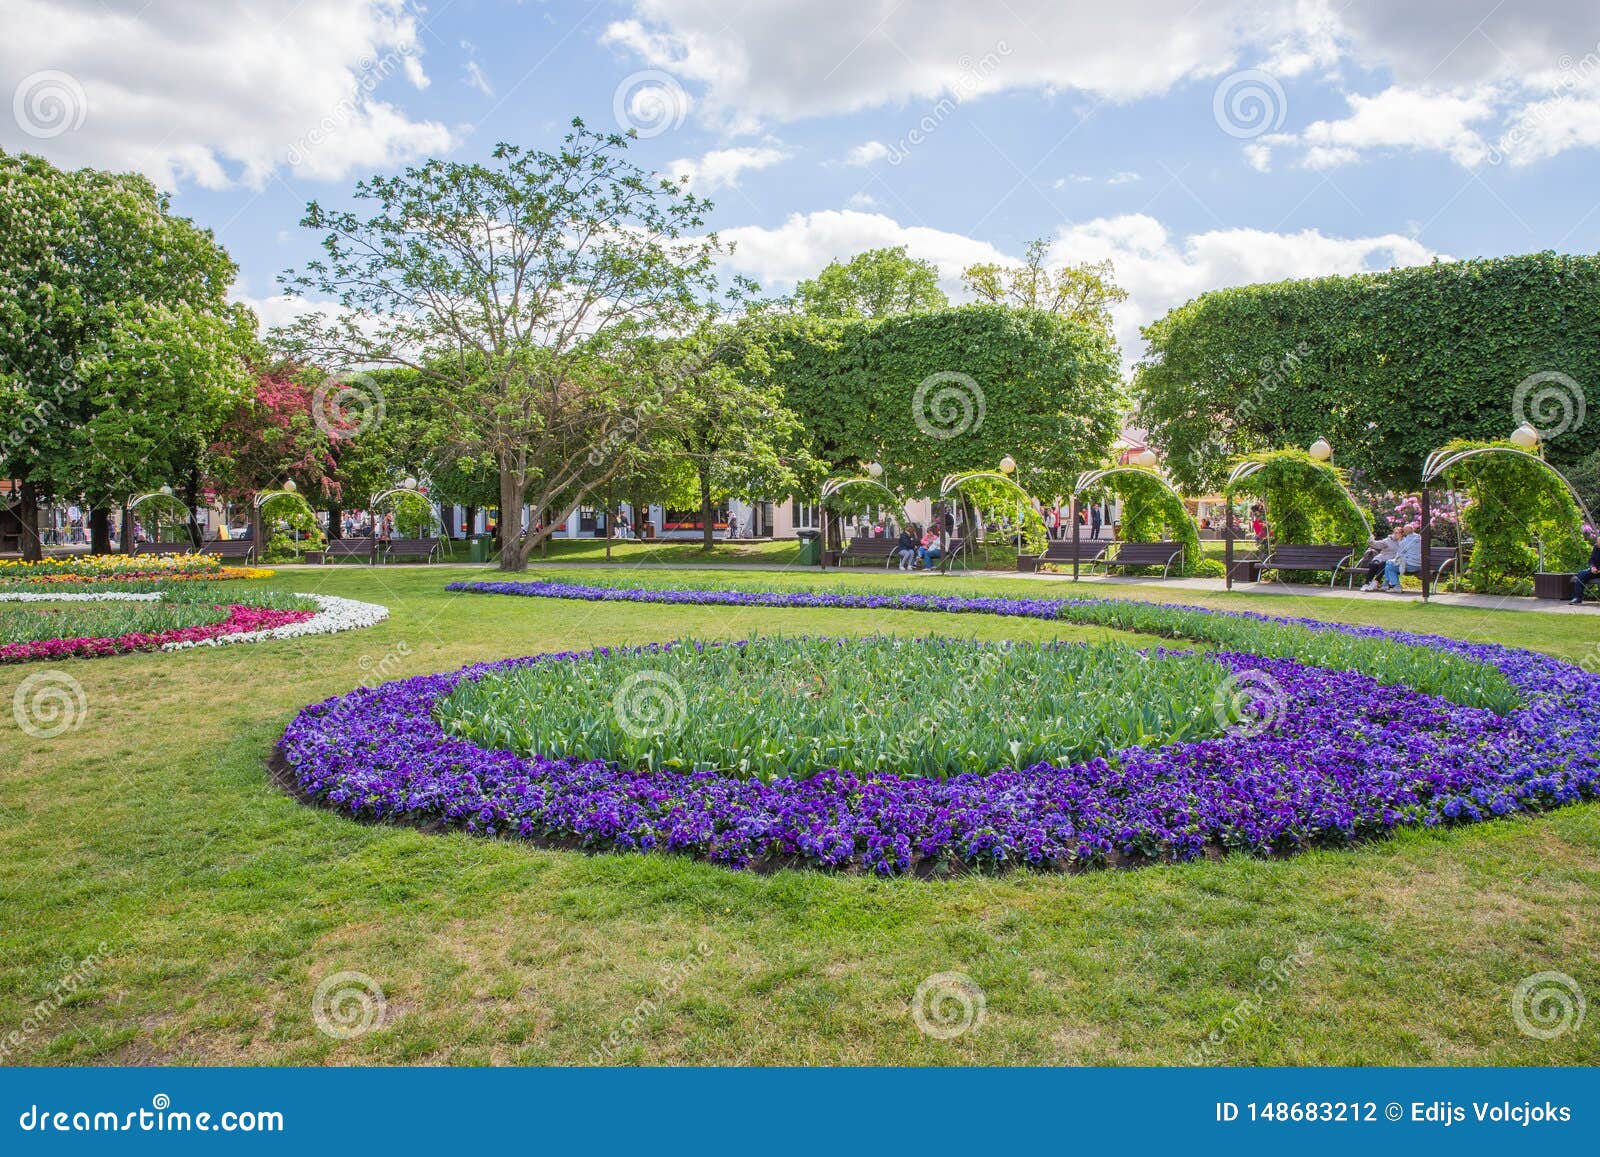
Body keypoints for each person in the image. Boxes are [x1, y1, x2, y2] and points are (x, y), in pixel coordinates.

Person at [1360, 528, 1405, 592]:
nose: (1395, 534)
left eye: (1397, 533)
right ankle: (1367, 583)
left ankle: (1375, 582)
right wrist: (1372, 540)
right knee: (1373, 564)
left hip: (1391, 561)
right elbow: (1377, 544)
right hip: (1381, 558)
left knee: (1383, 564)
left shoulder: (1403, 542)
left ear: (1401, 534)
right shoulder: (1388, 540)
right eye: (1394, 532)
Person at [1571, 533, 1600, 604]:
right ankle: (1577, 598)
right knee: (1581, 573)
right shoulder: (1596, 547)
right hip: (1595, 570)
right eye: (1598, 544)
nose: (1598, 546)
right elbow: (1591, 560)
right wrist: (1592, 567)